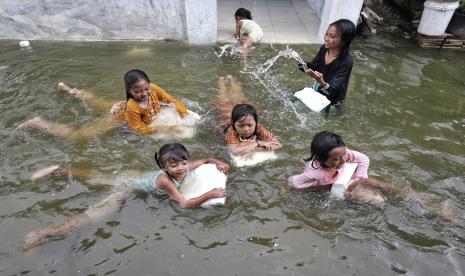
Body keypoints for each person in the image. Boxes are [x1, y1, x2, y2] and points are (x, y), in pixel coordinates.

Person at [23, 143, 229, 250]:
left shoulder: (182, 168)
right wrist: (209, 194)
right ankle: (41, 234)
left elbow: (203, 160)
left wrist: (216, 161)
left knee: (97, 178)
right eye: (173, 165)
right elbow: (183, 204)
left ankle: (59, 170)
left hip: (131, 177)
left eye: (184, 162)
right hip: (125, 188)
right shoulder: (166, 180)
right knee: (96, 214)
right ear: (163, 167)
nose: (181, 168)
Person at [288, 131, 397, 204]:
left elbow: (363, 159)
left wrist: (358, 178)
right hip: (333, 185)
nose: (344, 160)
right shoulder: (316, 173)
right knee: (377, 200)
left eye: (344, 154)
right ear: (322, 160)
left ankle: (406, 196)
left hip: (348, 176)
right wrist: (319, 186)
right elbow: (294, 182)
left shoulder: (341, 153)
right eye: (336, 159)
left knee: (383, 185)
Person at [214, 75, 282, 157]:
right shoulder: (232, 131)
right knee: (223, 98)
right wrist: (257, 143)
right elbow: (235, 150)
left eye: (250, 125)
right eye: (241, 126)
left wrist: (256, 150)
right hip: (226, 113)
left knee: (240, 97)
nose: (246, 129)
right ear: (233, 124)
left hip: (240, 112)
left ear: (255, 122)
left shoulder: (258, 128)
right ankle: (221, 80)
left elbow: (278, 144)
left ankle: (231, 78)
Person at [298, 19, 356, 110]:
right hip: (319, 90)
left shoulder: (346, 61)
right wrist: (302, 63)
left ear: (344, 40)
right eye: (326, 34)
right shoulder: (324, 49)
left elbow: (333, 89)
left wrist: (321, 81)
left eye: (332, 36)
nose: (326, 38)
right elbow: (314, 67)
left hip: (333, 100)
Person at [123, 69, 189, 134]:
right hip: (129, 120)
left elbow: (173, 101)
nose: (144, 94)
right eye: (138, 92)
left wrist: (185, 117)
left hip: (155, 120)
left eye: (146, 89)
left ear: (149, 84)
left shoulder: (153, 88)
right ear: (129, 91)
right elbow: (138, 130)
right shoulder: (132, 107)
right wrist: (161, 129)